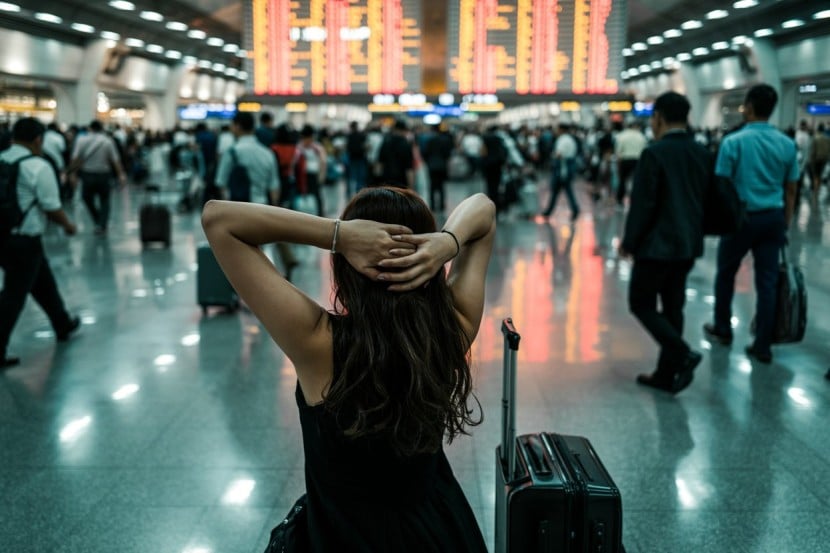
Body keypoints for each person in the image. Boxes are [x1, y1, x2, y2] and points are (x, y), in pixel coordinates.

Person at [201, 188, 495, 552]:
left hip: (340, 536)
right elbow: (483, 209)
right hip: (436, 528)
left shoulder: (317, 343)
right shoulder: (453, 329)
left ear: (345, 266)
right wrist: (448, 243)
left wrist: (338, 234)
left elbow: (219, 219)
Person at [620, 92, 711, 394]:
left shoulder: (655, 153)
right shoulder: (702, 151)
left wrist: (629, 241)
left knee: (641, 302)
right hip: (688, 243)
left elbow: (643, 204)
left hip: (656, 245)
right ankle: (666, 373)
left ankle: (683, 354)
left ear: (658, 117)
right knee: (674, 306)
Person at [703, 84, 799, 364]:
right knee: (767, 282)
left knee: (725, 273)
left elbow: (722, 185)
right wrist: (785, 223)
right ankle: (763, 344)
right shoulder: (787, 144)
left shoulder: (733, 142)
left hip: (740, 218)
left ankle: (723, 328)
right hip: (773, 218)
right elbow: (791, 188)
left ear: (748, 107)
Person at [0, 118, 81, 369]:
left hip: (3, 236)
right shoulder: (38, 165)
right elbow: (51, 206)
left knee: (42, 279)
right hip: (24, 239)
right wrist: (68, 225)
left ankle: (62, 322)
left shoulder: (2, 159)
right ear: (38, 140)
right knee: (14, 294)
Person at [69, 120, 126, 235]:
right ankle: (102, 224)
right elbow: (115, 160)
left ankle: (97, 219)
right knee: (105, 200)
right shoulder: (107, 141)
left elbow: (75, 158)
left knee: (86, 198)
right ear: (101, 129)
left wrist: (72, 173)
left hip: (87, 174)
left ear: (90, 128)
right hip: (104, 174)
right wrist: (121, 175)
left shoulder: (81, 140)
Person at [215, 111, 280, 206]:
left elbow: (221, 183)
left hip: (238, 209)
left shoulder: (232, 152)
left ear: (238, 126)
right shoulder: (268, 153)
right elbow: (274, 186)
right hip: (262, 207)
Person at [541, 123, 580, 221]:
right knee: (561, 190)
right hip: (568, 167)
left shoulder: (563, 140)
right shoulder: (571, 139)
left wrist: (553, 156)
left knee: (561, 190)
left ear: (561, 130)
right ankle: (549, 211)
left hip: (563, 169)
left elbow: (559, 154)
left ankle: (550, 211)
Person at [292, 124, 328, 217]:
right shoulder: (298, 148)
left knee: (316, 198)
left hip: (313, 177)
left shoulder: (317, 148)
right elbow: (293, 163)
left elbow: (323, 162)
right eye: (305, 139)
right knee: (301, 198)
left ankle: (319, 216)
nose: (308, 141)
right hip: (301, 177)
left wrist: (321, 177)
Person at [421, 124, 454, 213]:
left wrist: (427, 161)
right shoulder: (445, 140)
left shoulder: (429, 140)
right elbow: (447, 154)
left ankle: (432, 205)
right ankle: (442, 206)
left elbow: (424, 152)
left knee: (432, 185)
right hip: (442, 165)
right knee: (441, 185)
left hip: (431, 165)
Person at [614, 121, 648, 206]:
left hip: (625, 160)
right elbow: (645, 150)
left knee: (622, 180)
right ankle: (636, 199)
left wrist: (618, 163)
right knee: (637, 181)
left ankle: (620, 200)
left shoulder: (622, 136)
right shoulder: (641, 136)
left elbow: (618, 151)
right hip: (637, 161)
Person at [376, 119, 414, 188]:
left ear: (394, 129)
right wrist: (411, 187)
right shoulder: (406, 145)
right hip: (402, 181)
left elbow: (380, 163)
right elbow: (409, 168)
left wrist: (377, 182)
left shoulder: (386, 142)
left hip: (386, 179)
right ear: (404, 130)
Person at [345, 121, 368, 197]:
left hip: (352, 158)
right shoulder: (362, 135)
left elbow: (347, 147)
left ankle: (349, 192)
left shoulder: (349, 136)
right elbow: (365, 146)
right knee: (360, 177)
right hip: (361, 158)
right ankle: (359, 192)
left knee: (351, 176)